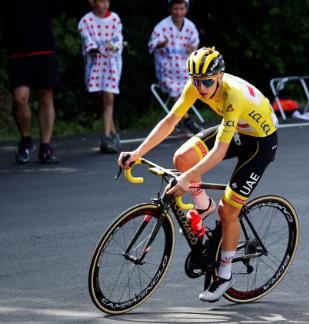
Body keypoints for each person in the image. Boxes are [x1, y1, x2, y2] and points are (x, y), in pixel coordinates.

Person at [118, 47, 279, 302]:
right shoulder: (195, 85)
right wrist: (138, 152)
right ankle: (204, 206)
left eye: (206, 82)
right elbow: (171, 121)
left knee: (228, 211)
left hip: (260, 142)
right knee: (182, 158)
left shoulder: (232, 95)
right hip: (239, 129)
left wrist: (186, 179)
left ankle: (225, 275)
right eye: (196, 81)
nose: (201, 88)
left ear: (219, 76)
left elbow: (218, 151)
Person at [5, 0, 59, 164]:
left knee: (45, 97)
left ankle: (45, 147)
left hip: (44, 48)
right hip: (18, 51)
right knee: (20, 98)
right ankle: (26, 140)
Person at [148, 0, 201, 133]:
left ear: (186, 9)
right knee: (174, 89)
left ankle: (176, 119)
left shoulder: (190, 27)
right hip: (166, 69)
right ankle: (188, 119)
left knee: (191, 87)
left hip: (184, 69)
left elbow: (195, 47)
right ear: (171, 9)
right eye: (175, 9)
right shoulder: (162, 26)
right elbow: (151, 45)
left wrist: (192, 49)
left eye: (181, 9)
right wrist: (161, 44)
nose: (178, 12)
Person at [78, 0, 123, 153]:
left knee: (109, 98)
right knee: (102, 98)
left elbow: (118, 41)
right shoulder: (86, 21)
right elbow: (88, 42)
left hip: (111, 63)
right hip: (95, 63)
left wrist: (112, 47)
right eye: (101, 1)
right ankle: (114, 133)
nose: (104, 4)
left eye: (106, 1)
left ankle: (106, 137)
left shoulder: (115, 19)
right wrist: (99, 48)